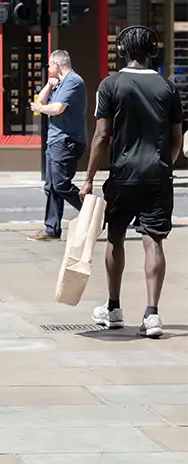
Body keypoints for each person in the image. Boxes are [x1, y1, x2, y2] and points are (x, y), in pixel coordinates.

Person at [81, 25, 184, 338]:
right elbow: (177, 138)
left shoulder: (110, 85)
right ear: (152, 51)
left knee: (115, 237)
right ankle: (152, 314)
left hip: (123, 175)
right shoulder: (168, 89)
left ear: (122, 51)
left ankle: (113, 308)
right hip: (157, 175)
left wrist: (88, 179)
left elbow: (101, 136)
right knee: (153, 240)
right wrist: (165, 164)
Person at [30, 49, 87, 241]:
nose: (48, 68)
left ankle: (94, 211)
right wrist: (48, 85)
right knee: (52, 186)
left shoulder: (73, 81)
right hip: (55, 140)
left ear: (56, 64)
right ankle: (51, 229)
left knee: (61, 184)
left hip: (67, 140)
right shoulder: (60, 83)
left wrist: (40, 109)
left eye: (49, 65)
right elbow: (41, 101)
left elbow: (56, 108)